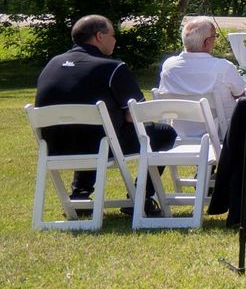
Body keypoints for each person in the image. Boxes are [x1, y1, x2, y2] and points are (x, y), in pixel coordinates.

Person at [37, 15, 175, 200]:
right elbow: (138, 114)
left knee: (93, 129)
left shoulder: (52, 64)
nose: (115, 40)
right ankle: (140, 198)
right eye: (113, 34)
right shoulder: (113, 67)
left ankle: (80, 193)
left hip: (54, 147)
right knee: (164, 132)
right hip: (101, 146)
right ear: (99, 36)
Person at [157, 15, 246, 142]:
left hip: (179, 133)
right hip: (222, 133)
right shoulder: (223, 67)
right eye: (214, 37)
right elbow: (242, 95)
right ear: (207, 42)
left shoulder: (169, 67)